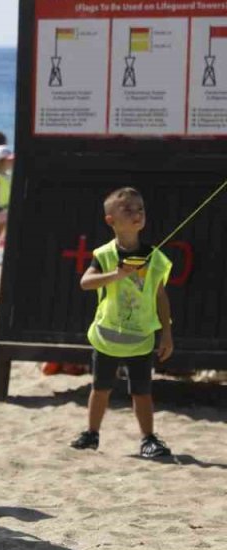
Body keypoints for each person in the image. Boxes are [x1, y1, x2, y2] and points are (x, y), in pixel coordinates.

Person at [71, 188, 174, 458]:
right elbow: (85, 282)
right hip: (107, 336)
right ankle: (91, 433)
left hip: (140, 338)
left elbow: (161, 296)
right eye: (128, 210)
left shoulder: (156, 257)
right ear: (110, 220)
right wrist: (116, 274)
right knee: (100, 388)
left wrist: (167, 334)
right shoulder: (103, 254)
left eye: (140, 209)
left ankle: (148, 439)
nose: (136, 214)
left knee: (142, 392)